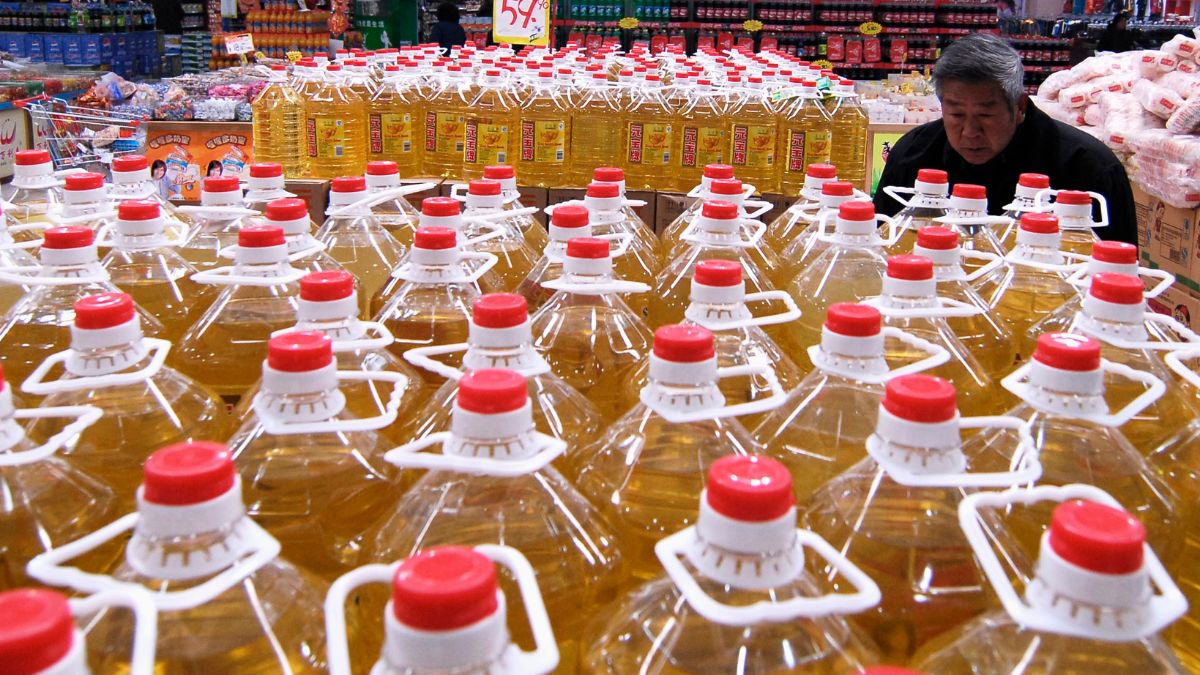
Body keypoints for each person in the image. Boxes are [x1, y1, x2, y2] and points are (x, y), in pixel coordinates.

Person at [874, 33, 1137, 245]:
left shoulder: (1087, 167)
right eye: (956, 114)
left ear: (1020, 106)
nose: (969, 131)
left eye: (985, 115)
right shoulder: (914, 156)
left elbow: (1119, 274)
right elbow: (879, 247)